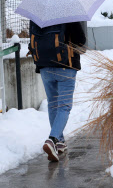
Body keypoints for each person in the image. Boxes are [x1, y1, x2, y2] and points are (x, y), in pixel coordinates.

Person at [29, 21, 86, 162]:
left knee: (53, 104)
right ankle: (52, 139)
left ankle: (60, 141)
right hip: (66, 65)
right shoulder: (68, 16)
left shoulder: (38, 17)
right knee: (64, 106)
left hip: (45, 67)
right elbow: (80, 40)